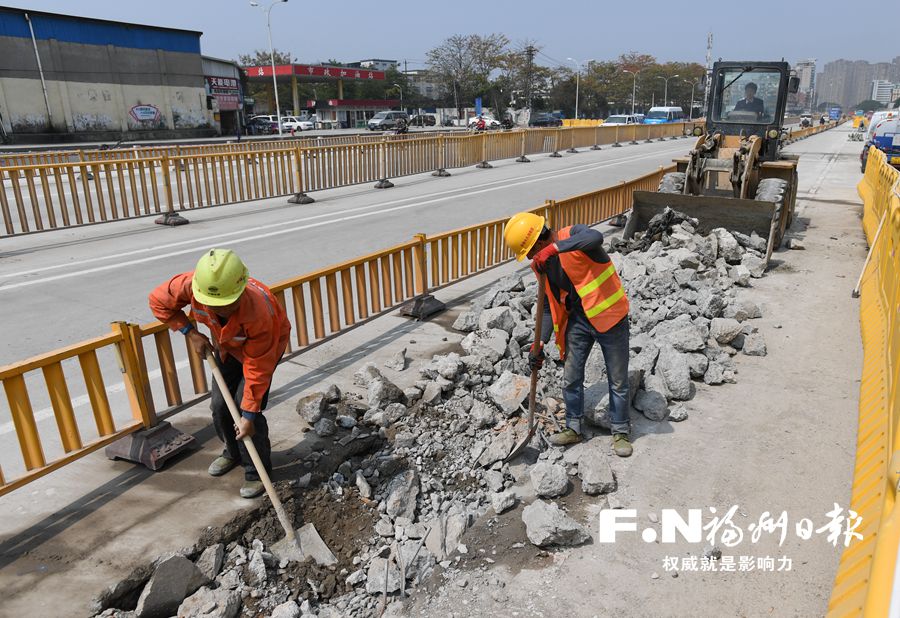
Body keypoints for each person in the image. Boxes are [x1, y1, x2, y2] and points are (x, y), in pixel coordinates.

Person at [149, 249, 291, 498]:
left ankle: (256, 471)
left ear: (241, 288)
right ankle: (233, 452)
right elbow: (158, 301)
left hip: (262, 352)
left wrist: (248, 414)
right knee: (219, 405)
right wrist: (190, 333)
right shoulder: (193, 285)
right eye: (215, 305)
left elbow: (257, 368)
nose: (221, 310)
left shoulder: (259, 312)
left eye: (227, 304)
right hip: (228, 346)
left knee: (246, 411)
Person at [503, 213, 634, 457]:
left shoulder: (572, 236)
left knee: (617, 380)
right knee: (571, 377)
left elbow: (595, 237)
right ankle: (573, 427)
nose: (531, 259)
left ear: (539, 243)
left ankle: (620, 431)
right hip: (579, 321)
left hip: (611, 316)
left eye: (530, 253)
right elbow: (546, 305)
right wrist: (539, 342)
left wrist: (554, 249)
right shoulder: (542, 263)